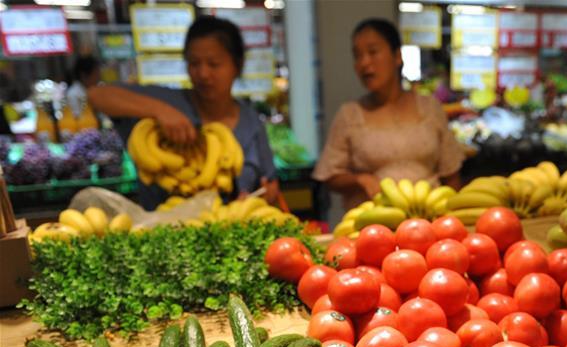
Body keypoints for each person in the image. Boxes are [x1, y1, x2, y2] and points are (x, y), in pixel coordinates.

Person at [88, 16, 278, 209]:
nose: (203, 74)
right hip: (163, 232)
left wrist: (263, 196)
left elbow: (269, 183)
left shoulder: (251, 121)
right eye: (194, 63)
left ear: (237, 65)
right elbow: (97, 95)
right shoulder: (168, 100)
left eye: (213, 64)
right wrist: (160, 110)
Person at [313, 18, 464, 211]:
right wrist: (361, 179)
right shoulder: (349, 115)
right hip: (371, 227)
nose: (364, 63)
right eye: (357, 55)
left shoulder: (430, 108)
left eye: (373, 52)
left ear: (397, 56)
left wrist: (452, 216)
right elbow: (329, 175)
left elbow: (451, 173)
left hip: (428, 221)